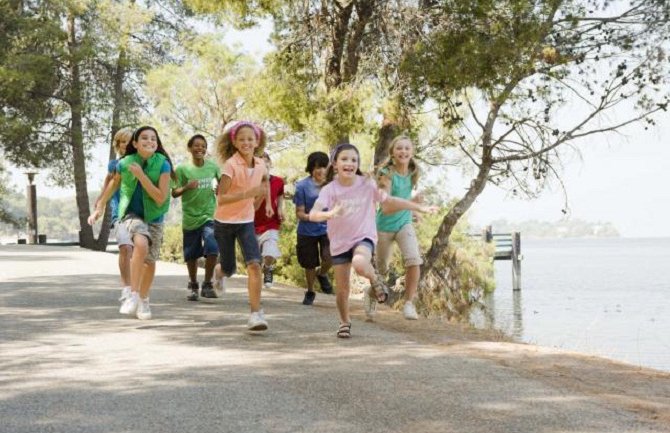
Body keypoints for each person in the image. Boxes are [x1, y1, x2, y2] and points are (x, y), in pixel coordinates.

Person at [308, 143, 436, 338]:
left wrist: (417, 208)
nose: (349, 163)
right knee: (342, 289)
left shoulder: (366, 184)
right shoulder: (329, 190)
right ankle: (344, 322)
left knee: (360, 263)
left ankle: (375, 280)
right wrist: (331, 213)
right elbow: (313, 214)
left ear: (357, 164)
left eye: (354, 160)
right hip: (339, 242)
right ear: (335, 164)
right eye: (344, 159)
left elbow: (390, 201)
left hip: (363, 236)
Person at [88, 126, 174, 320]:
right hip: (131, 214)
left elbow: (160, 198)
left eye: (153, 138)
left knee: (150, 262)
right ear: (135, 144)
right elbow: (113, 184)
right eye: (144, 138)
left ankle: (144, 299)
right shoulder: (124, 163)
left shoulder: (163, 164)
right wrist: (99, 207)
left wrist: (142, 177)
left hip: (155, 216)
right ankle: (133, 295)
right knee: (140, 244)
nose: (150, 141)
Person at [213, 121, 272, 331]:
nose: (246, 142)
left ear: (257, 142)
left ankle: (256, 314)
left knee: (254, 264)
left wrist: (263, 204)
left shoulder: (261, 165)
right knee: (229, 268)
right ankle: (219, 273)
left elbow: (262, 187)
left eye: (250, 139)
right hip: (224, 223)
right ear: (235, 143)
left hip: (246, 222)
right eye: (241, 139)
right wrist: (248, 194)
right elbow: (221, 198)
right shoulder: (230, 165)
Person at [374, 135, 426, 320]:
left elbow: (404, 197)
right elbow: (387, 206)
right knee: (381, 271)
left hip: (404, 224)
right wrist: (412, 204)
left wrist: (414, 212)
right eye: (399, 148)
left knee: (414, 260)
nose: (403, 151)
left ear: (412, 152)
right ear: (392, 153)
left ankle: (409, 304)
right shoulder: (386, 174)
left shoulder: (414, 172)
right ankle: (371, 294)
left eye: (407, 148)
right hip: (384, 226)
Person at [172, 134, 221, 301]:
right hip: (190, 217)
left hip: (210, 215)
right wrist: (186, 187)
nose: (200, 148)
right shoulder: (182, 169)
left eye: (203, 146)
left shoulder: (213, 167)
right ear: (190, 148)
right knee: (191, 255)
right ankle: (193, 284)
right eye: (196, 145)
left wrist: (220, 189)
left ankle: (207, 284)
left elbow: (224, 184)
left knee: (213, 246)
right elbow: (174, 192)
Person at [92, 127, 134, 302]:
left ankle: (137, 287)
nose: (126, 145)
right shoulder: (114, 165)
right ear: (118, 145)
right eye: (123, 142)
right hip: (120, 213)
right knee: (125, 248)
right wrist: (99, 205)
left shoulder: (143, 163)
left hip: (141, 213)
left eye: (130, 141)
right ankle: (127, 288)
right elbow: (108, 184)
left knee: (140, 253)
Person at [293, 151, 333, 305]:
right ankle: (310, 291)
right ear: (311, 169)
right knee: (309, 264)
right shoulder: (302, 186)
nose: (321, 171)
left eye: (323, 167)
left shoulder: (333, 185)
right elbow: (300, 213)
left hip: (328, 230)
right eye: (317, 167)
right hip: (307, 230)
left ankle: (322, 274)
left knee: (330, 256)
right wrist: (313, 217)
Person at [253, 152, 284, 289]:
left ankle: (268, 268)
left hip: (271, 223)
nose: (263, 165)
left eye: (266, 162)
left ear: (270, 164)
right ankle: (255, 283)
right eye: (259, 163)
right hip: (252, 223)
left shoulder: (278, 181)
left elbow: (280, 195)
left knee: (270, 252)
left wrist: (280, 209)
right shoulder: (251, 182)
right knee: (254, 259)